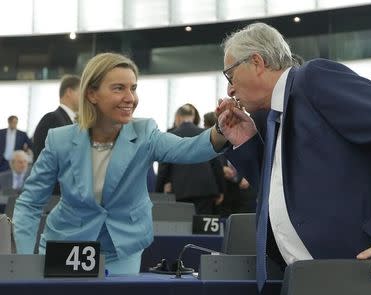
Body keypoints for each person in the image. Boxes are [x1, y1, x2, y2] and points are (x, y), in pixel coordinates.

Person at [215, 23, 371, 295]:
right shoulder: (273, 117)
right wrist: (246, 142)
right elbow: (280, 191)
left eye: (230, 75)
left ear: (257, 62)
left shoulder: (313, 79)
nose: (229, 89)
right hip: (321, 283)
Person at [13, 52, 226, 274]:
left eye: (133, 88)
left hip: (120, 249)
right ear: (92, 94)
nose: (130, 98)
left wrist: (221, 130)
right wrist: (26, 259)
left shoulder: (146, 133)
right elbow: (29, 203)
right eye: (119, 88)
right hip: (65, 246)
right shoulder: (59, 139)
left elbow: (188, 149)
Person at [158, 104, 224, 214]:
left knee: (181, 227)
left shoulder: (170, 135)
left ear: (177, 117)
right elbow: (216, 163)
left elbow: (163, 168)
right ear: (193, 116)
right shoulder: (206, 133)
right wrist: (221, 190)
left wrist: (159, 192)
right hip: (205, 190)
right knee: (203, 230)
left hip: (180, 191)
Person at [32, 75, 81, 161]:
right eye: (81, 93)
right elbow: (45, 159)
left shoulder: (72, 121)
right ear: (69, 92)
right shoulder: (52, 119)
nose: (85, 98)